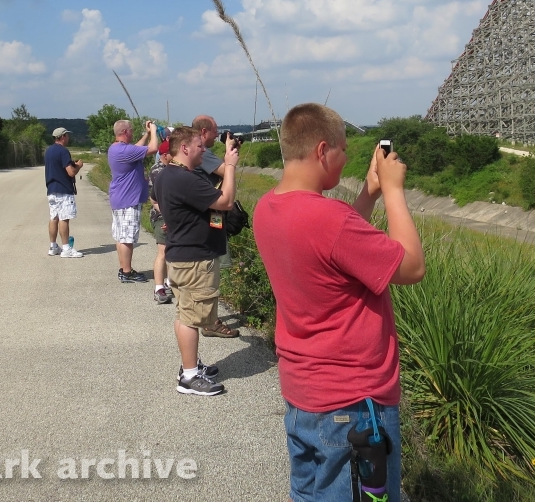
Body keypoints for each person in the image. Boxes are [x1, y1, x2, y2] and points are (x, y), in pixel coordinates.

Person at [252, 104, 425, 502]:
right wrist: (395, 190)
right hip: (353, 405)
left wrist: (370, 193)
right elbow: (412, 267)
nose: (346, 158)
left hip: (304, 396)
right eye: (344, 150)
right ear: (323, 150)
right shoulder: (330, 219)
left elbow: (332, 245)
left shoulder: (269, 207)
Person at [152, 126, 239, 396]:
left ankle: (190, 365)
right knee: (192, 318)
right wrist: (230, 165)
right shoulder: (184, 179)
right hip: (195, 260)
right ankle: (189, 377)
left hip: (181, 255)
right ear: (185, 148)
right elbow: (224, 201)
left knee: (184, 313)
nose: (205, 149)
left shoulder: (168, 174)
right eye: (200, 145)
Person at [191, 115, 240, 338]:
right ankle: (210, 320)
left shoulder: (197, 153)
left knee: (207, 266)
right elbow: (226, 172)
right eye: (215, 131)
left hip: (208, 214)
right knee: (210, 267)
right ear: (203, 132)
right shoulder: (205, 154)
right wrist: (230, 157)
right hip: (210, 215)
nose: (217, 135)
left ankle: (206, 315)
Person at [108, 119, 159, 283]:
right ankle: (127, 272)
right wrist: (154, 130)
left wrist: (147, 134)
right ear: (125, 132)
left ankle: (124, 268)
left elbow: (136, 148)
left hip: (119, 198)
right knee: (127, 238)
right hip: (128, 200)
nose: (132, 132)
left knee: (120, 236)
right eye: (130, 130)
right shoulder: (124, 151)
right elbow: (153, 148)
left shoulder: (116, 149)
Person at [45, 127, 85, 258]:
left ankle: (53, 246)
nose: (68, 138)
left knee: (54, 217)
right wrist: (78, 165)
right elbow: (71, 172)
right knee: (64, 218)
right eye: (67, 135)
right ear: (62, 137)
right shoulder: (63, 151)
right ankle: (66, 248)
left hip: (51, 189)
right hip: (63, 189)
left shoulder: (49, 151)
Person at [148, 138, 175, 304]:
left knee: (173, 251)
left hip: (172, 215)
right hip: (161, 215)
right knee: (163, 251)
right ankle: (159, 287)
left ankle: (170, 282)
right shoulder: (159, 170)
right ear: (165, 155)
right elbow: (158, 200)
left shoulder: (171, 168)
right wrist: (167, 218)